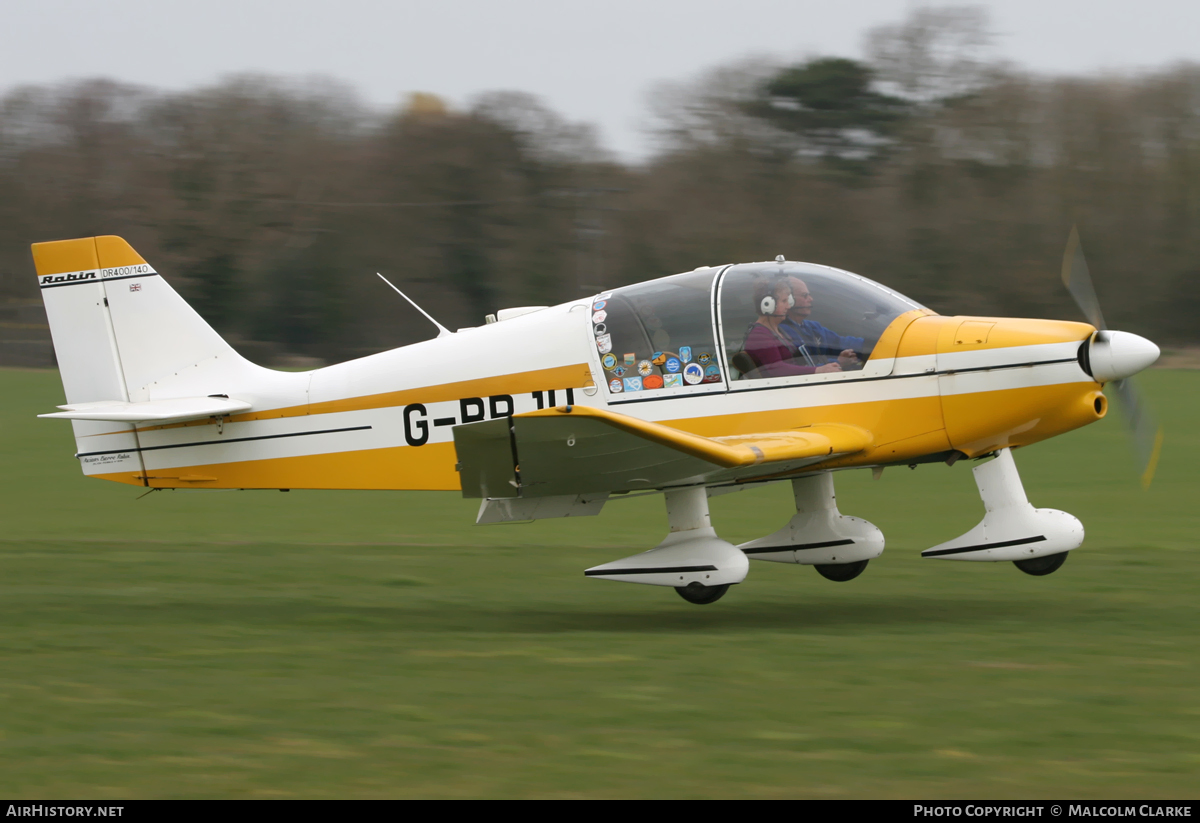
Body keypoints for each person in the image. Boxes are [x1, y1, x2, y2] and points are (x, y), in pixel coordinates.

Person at [741, 278, 843, 377]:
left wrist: (836, 362)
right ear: (769, 304)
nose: (788, 306)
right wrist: (818, 370)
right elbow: (776, 369)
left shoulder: (777, 330)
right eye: (784, 301)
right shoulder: (760, 334)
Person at [779, 276, 864, 370]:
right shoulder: (781, 332)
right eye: (804, 295)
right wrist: (839, 362)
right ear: (788, 300)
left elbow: (839, 342)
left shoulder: (812, 327)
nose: (811, 299)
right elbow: (801, 370)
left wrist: (870, 344)